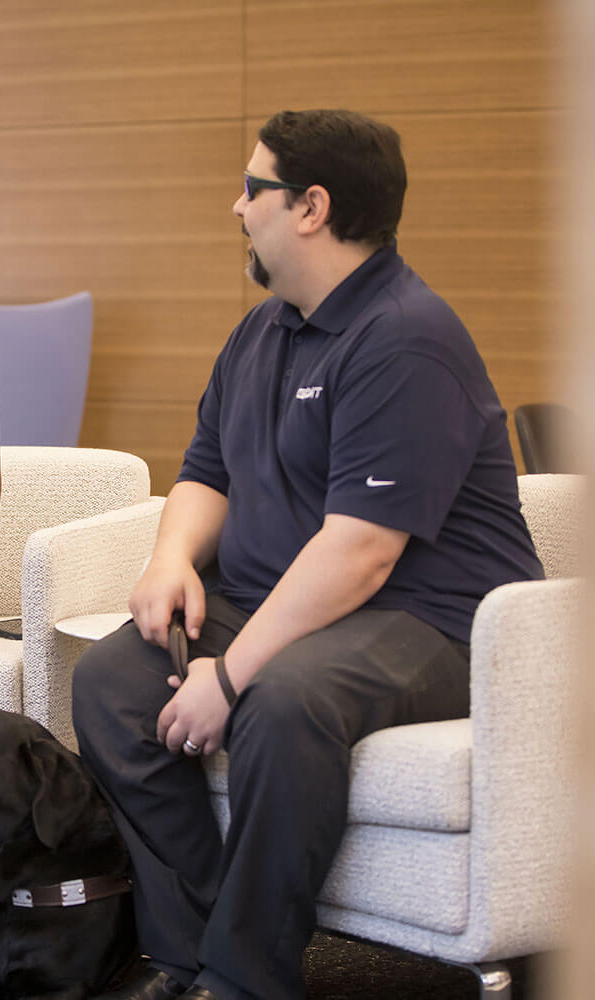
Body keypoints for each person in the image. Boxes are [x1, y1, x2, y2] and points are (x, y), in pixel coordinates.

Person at [72, 110, 544, 1000]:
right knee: (110, 685)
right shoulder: (264, 330)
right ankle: (193, 947)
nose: (235, 206)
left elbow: (362, 553)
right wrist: (172, 558)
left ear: (310, 207)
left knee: (283, 700)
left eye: (253, 188)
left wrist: (228, 673)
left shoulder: (406, 336)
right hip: (282, 598)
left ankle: (246, 979)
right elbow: (206, 469)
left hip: (429, 619)